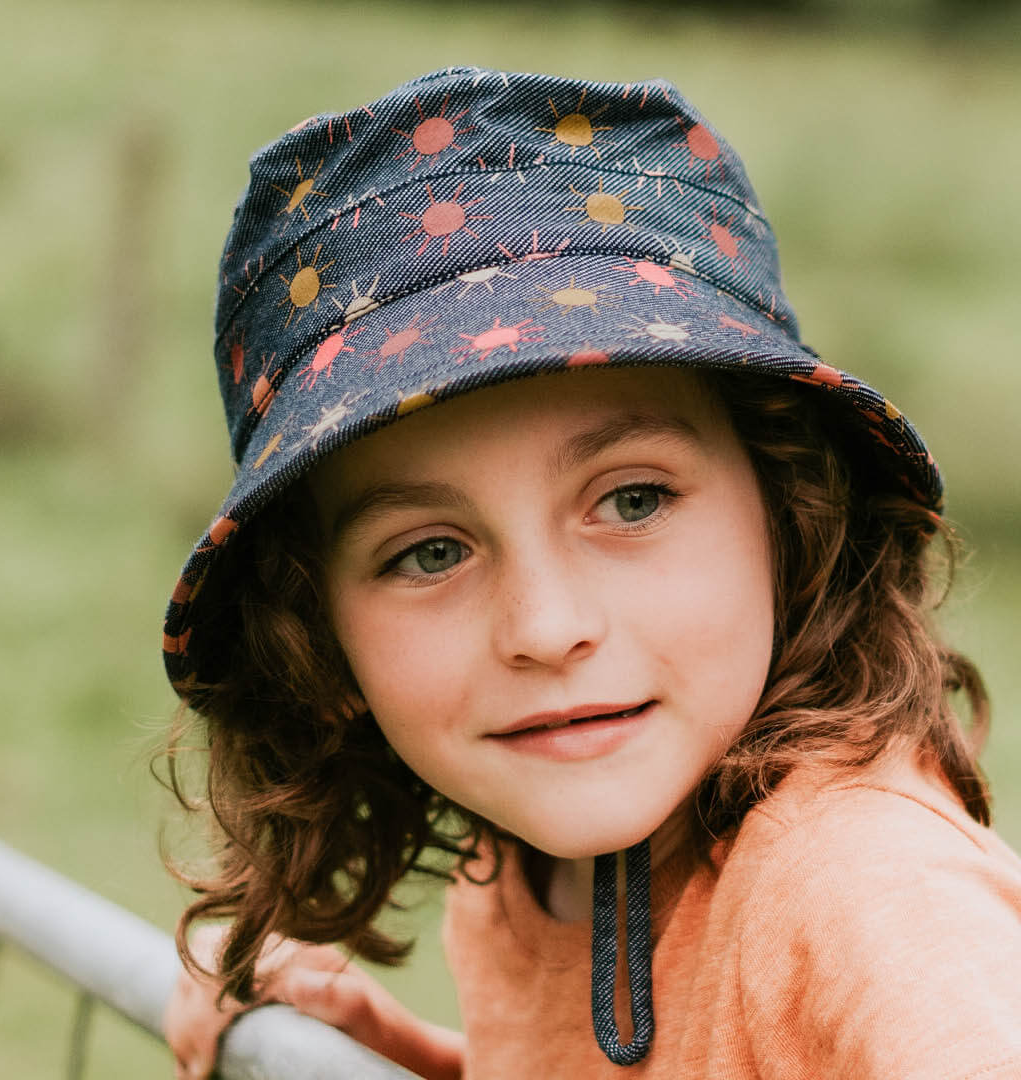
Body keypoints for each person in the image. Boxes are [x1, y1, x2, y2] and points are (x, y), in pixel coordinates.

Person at [160, 68, 1021, 1079]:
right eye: (430, 552)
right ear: (317, 637)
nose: (545, 625)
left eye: (633, 499)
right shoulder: (526, 870)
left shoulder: (863, 896)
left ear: (793, 516)